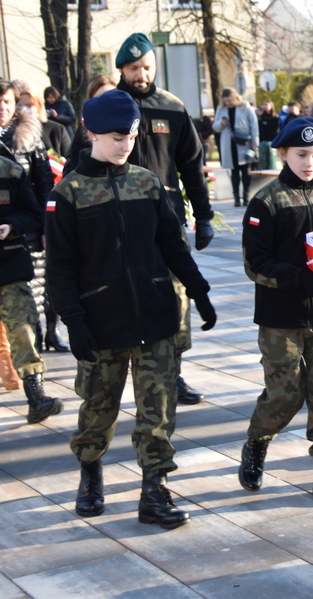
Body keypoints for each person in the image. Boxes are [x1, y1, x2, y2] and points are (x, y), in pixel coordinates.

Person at [46, 90, 217, 526]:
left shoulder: (146, 183)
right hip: (101, 323)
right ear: (91, 133)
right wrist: (75, 323)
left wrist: (198, 291)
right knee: (97, 409)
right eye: (118, 136)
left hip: (155, 316)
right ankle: (90, 472)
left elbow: (172, 246)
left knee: (157, 412)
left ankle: (154, 490)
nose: (126, 144)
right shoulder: (70, 194)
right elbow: (60, 269)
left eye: (132, 135)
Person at [237, 117, 313, 504]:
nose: (310, 162)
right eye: (302, 155)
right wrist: (297, 278)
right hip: (281, 318)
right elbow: (255, 264)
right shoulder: (267, 201)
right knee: (284, 394)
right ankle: (257, 443)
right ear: (284, 154)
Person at [115, 32, 215, 405]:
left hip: (166, 220)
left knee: (176, 294)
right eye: (133, 68)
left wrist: (203, 216)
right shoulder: (111, 107)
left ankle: (173, 371)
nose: (141, 73)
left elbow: (192, 165)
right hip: (120, 222)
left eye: (146, 67)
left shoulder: (172, 107)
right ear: (121, 69)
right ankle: (130, 368)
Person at [0, 95, 60, 422]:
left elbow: (32, 213)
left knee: (22, 329)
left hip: (8, 264)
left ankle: (35, 396)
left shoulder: (9, 169)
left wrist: (11, 226)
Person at [11, 80, 71, 353]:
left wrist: (49, 224)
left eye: (27, 103)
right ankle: (29, 339)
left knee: (45, 281)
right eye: (18, 103)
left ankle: (50, 331)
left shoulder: (50, 131)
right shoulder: (9, 135)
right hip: (15, 220)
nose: (23, 108)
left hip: (37, 220)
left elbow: (50, 178)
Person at [213, 88, 259, 207]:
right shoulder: (221, 108)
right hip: (229, 144)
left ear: (235, 98)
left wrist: (255, 142)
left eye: (230, 100)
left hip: (244, 143)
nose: (228, 103)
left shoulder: (245, 106)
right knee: (234, 171)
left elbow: (253, 125)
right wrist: (222, 123)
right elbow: (215, 127)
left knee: (245, 171)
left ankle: (246, 197)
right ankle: (236, 198)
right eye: (226, 101)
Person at [65, 75, 117, 174]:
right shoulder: (85, 129)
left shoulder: (130, 125)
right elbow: (73, 165)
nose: (107, 102)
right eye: (100, 97)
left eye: (111, 95)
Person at [15, 81, 71, 161]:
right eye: (18, 106)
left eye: (28, 105)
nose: (23, 110)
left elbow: (71, 165)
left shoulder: (56, 130)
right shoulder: (5, 135)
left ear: (39, 105)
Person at [257, 100, 280, 169]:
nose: (265, 106)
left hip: (273, 141)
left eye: (267, 105)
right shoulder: (260, 118)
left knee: (272, 160)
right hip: (263, 141)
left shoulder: (276, 118)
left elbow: (277, 130)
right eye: (264, 105)